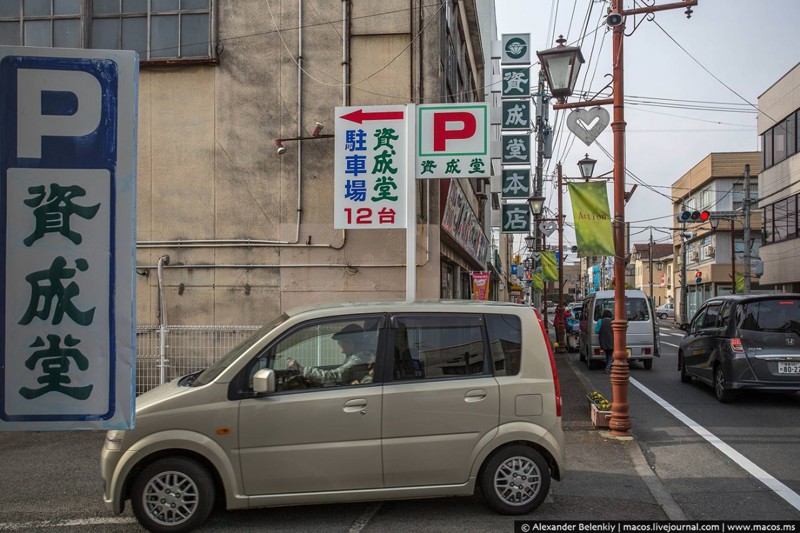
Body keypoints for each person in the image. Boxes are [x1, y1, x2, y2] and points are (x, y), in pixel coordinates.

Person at [286, 324, 374, 386]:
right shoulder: (354, 356)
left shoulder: (359, 358)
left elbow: (334, 376)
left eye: (341, 340)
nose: (339, 343)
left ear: (350, 342)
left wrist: (302, 369)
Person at [597, 309, 614, 373]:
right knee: (610, 355)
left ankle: (608, 367)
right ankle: (607, 368)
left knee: (608, 354)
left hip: (603, 340)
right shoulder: (613, 321)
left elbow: (597, 331)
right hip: (611, 340)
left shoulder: (600, 321)